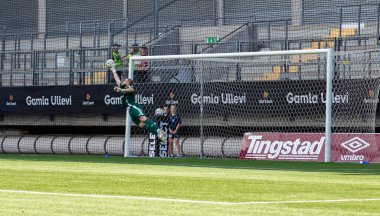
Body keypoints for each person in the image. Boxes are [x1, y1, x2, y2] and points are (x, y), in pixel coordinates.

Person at [111, 67, 166, 142]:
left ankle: (159, 130)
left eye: (126, 80)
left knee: (142, 118)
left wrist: (121, 90)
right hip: (130, 110)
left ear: (128, 83)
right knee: (141, 125)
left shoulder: (129, 88)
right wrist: (113, 69)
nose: (124, 80)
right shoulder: (122, 86)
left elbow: (131, 90)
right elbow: (117, 79)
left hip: (134, 107)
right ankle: (158, 133)